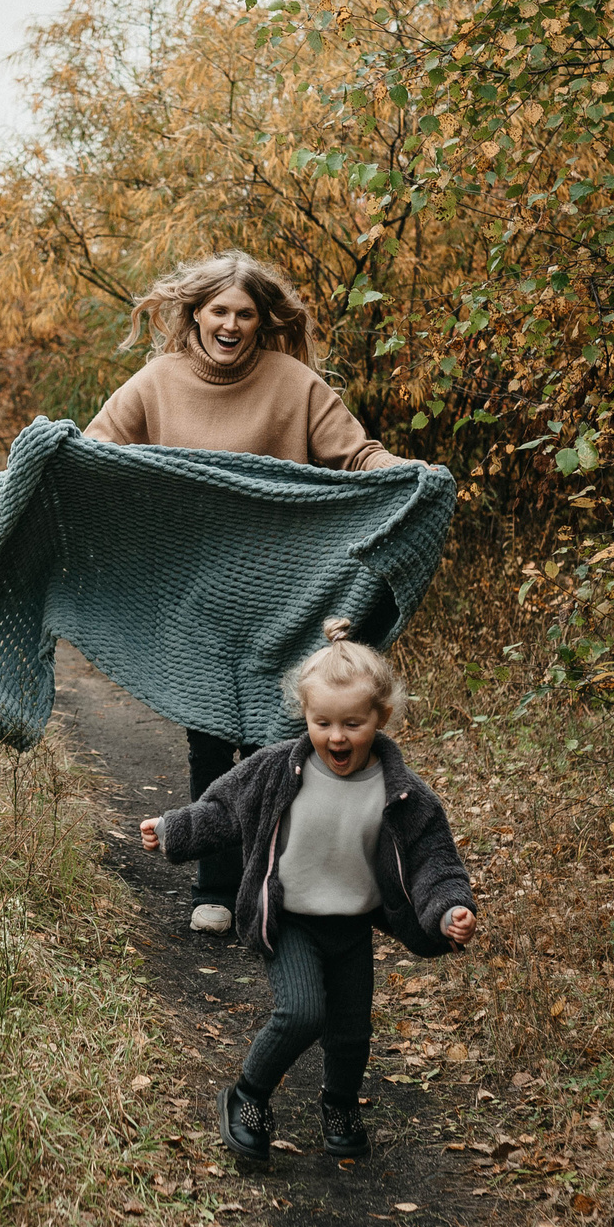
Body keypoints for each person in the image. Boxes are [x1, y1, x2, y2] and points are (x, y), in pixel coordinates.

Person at [83, 250, 404, 933]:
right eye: (219, 311)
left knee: (274, 739)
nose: (231, 324)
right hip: (195, 594)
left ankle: (269, 879)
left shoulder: (294, 383)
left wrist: (409, 474)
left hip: (284, 595)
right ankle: (213, 883)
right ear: (195, 313)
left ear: (262, 321)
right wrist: (51, 454)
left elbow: (356, 453)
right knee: (208, 737)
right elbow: (96, 449)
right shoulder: (157, 382)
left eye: (245, 314)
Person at [138, 621, 475, 1162]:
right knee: (301, 1013)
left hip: (351, 927)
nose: (336, 737)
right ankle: (248, 1096)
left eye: (352, 723)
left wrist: (448, 909)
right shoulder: (278, 769)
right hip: (288, 918)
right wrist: (175, 829)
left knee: (351, 1030)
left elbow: (433, 861)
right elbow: (225, 810)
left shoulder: (405, 795)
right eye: (322, 722)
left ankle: (340, 1102)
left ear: (381, 718)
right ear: (305, 716)